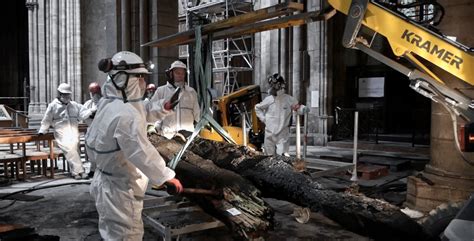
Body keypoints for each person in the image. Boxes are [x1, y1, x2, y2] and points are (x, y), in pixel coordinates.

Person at [86, 51, 183, 240]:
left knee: (112, 235)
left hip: (106, 183)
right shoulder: (125, 115)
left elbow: (140, 113)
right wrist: (166, 177)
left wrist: (164, 108)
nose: (142, 82)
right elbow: (140, 150)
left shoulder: (110, 103)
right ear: (123, 79)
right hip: (121, 191)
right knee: (126, 236)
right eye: (138, 77)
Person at [38, 83, 95, 180]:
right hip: (61, 132)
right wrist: (42, 130)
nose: (67, 96)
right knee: (70, 151)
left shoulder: (74, 105)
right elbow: (47, 119)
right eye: (65, 95)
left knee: (75, 151)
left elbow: (83, 113)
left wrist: (92, 111)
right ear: (60, 94)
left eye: (68, 95)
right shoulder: (53, 106)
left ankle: (75, 172)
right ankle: (80, 171)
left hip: (73, 131)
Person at [255, 73, 309, 156]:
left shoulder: (288, 99)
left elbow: (298, 108)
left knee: (282, 157)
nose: (272, 87)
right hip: (269, 133)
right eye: (271, 85)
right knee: (268, 156)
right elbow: (257, 108)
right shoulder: (269, 99)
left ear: (280, 84)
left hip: (282, 133)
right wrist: (264, 119)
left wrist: (303, 109)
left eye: (274, 84)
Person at [150, 60, 200, 139]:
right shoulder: (161, 91)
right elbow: (153, 111)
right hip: (167, 137)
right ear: (171, 74)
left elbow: (197, 114)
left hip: (187, 137)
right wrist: (154, 127)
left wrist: (201, 127)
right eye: (177, 73)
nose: (180, 75)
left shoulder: (191, 92)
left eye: (182, 73)